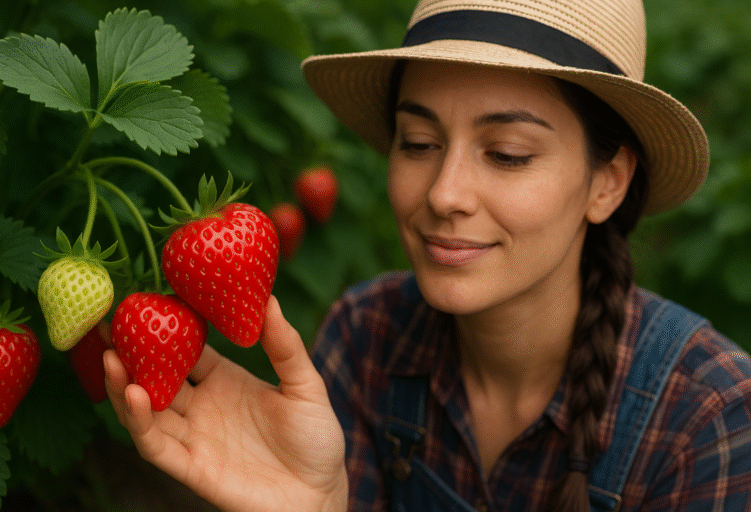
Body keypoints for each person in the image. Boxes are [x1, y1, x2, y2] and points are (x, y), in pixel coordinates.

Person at [104, 0, 751, 511]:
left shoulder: (707, 418)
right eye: (417, 142)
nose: (444, 194)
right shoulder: (367, 336)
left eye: (507, 153)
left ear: (607, 181)